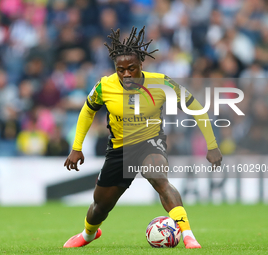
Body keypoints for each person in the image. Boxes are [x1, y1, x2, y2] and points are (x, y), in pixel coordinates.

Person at [63, 27, 222, 249]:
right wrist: (76, 147)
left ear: (141, 66)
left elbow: (195, 106)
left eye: (131, 69)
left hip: (150, 143)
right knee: (101, 205)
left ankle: (188, 235)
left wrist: (212, 145)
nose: (126, 74)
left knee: (159, 179)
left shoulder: (161, 83)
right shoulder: (104, 86)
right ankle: (89, 234)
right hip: (119, 149)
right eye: (120, 70)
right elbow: (87, 111)